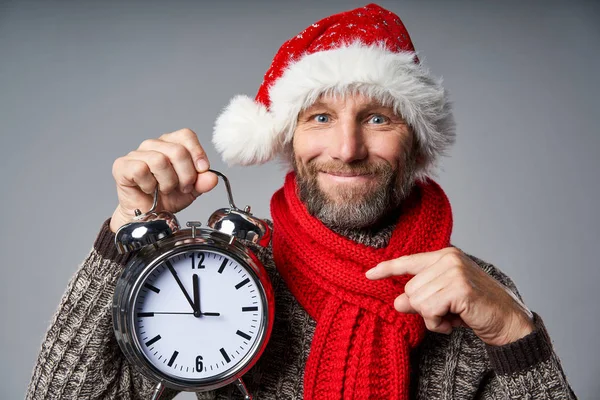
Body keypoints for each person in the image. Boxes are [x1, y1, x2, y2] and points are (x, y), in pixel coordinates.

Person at [26, 3, 576, 400]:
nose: (347, 148)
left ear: (418, 141)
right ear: (287, 137)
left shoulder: (471, 292)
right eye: (320, 117)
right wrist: (128, 224)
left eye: (378, 118)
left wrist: (512, 331)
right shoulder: (221, 271)